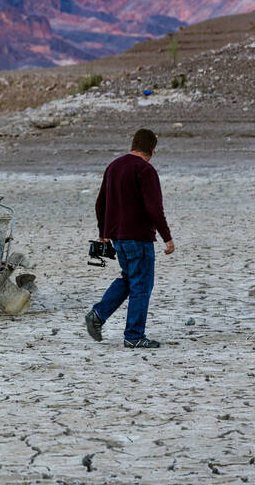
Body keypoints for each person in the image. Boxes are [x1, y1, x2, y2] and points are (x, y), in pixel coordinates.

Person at [84, 128, 175, 349]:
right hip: (138, 237)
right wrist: (167, 238)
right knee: (142, 284)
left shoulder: (114, 166)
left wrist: (103, 233)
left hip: (118, 238)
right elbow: (155, 208)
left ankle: (98, 314)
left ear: (133, 144)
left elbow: (100, 203)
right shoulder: (145, 170)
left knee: (130, 278)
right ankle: (134, 335)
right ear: (153, 148)